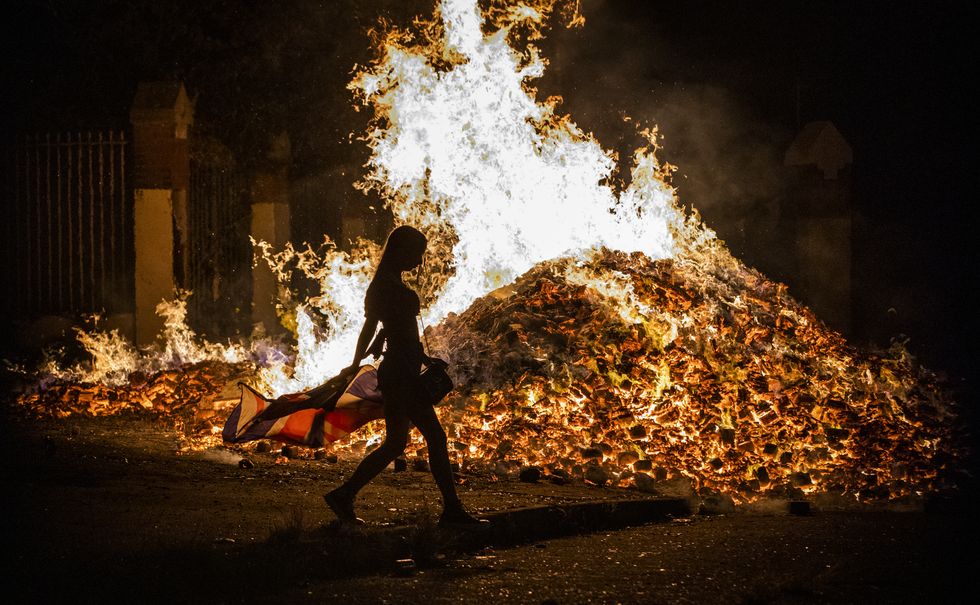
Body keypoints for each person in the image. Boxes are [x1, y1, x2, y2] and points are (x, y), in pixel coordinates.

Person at [324, 225, 484, 527]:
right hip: (401, 374)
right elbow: (371, 328)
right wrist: (355, 362)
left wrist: (423, 358)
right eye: (416, 254)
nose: (419, 262)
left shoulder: (387, 282)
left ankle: (344, 494)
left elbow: (390, 331)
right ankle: (452, 510)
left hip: (401, 369)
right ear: (401, 251)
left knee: (396, 443)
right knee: (435, 437)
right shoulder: (384, 285)